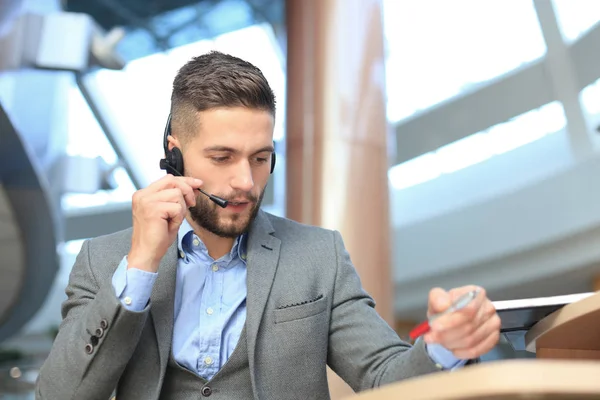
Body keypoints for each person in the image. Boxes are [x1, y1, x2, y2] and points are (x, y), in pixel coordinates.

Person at [35, 51, 501, 400]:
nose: (245, 182)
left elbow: (384, 376)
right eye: (222, 158)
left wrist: (444, 348)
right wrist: (140, 265)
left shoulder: (319, 257)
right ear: (174, 154)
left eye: (261, 158)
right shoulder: (102, 261)